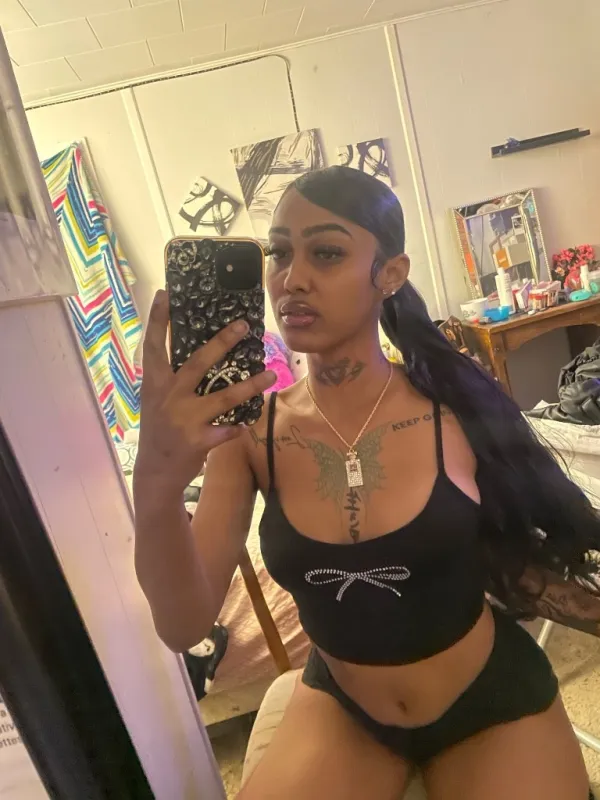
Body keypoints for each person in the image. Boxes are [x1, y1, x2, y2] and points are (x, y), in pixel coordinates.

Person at [134, 167, 600, 799]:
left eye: (326, 253)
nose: (291, 278)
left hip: (487, 699)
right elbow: (182, 626)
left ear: (391, 273)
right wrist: (157, 487)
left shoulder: (451, 407)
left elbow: (534, 554)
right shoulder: (249, 436)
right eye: (279, 253)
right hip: (346, 711)